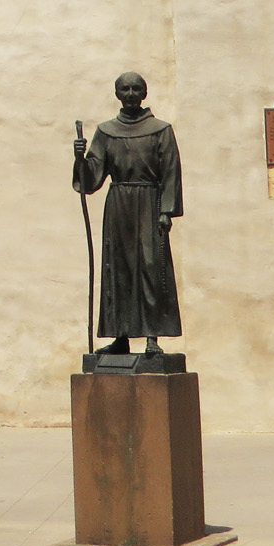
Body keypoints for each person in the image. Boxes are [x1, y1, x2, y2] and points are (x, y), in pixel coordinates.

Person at [74, 71, 182, 355]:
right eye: (125, 89)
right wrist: (79, 159)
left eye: (136, 88)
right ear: (117, 94)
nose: (131, 94)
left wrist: (166, 211)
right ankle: (120, 336)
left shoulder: (160, 130)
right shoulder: (107, 132)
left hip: (149, 203)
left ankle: (151, 336)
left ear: (144, 93)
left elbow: (170, 173)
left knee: (150, 268)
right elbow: (92, 177)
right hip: (119, 205)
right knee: (117, 269)